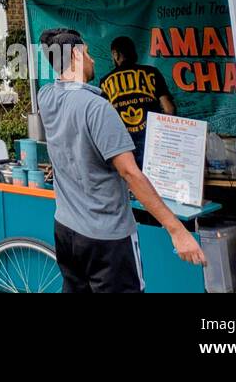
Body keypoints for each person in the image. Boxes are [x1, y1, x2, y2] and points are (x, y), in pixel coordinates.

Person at [37, 28, 206, 292]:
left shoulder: (46, 97)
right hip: (107, 238)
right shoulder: (97, 107)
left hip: (66, 230)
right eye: (89, 53)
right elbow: (130, 173)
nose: (93, 60)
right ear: (77, 55)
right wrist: (177, 230)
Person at [98, 36, 176, 167]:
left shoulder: (106, 81)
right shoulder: (152, 72)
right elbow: (169, 109)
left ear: (115, 54)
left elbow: (105, 120)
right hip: (153, 143)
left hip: (124, 147)